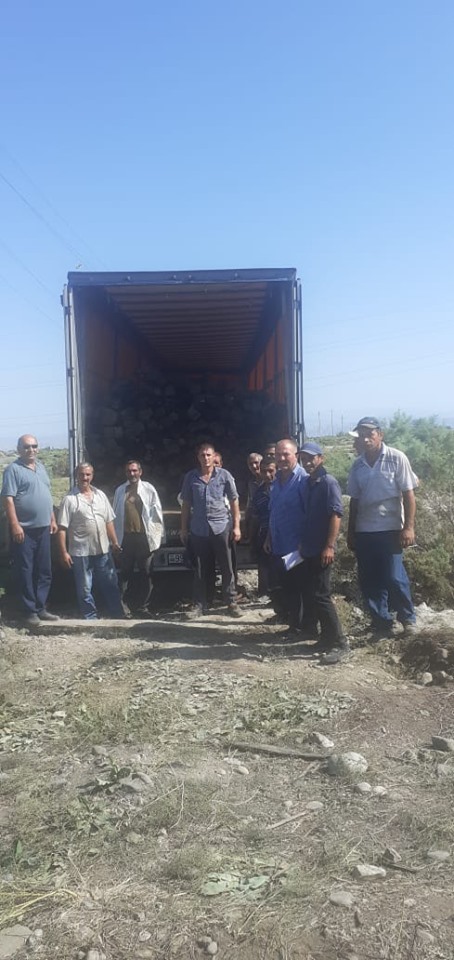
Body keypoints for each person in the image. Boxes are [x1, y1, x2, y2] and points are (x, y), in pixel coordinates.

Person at [347, 417, 417, 636]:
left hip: (391, 528)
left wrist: (409, 527)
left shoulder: (396, 458)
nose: (366, 439)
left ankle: (408, 619)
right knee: (370, 579)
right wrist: (351, 532)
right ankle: (382, 622)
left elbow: (409, 495)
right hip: (365, 529)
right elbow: (354, 501)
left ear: (380, 435)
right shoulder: (357, 465)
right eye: (361, 435)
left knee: (394, 576)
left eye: (370, 434)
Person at [299, 442, 349, 663]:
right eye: (303, 459)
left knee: (322, 595)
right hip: (309, 547)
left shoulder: (328, 483)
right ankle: (326, 638)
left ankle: (340, 643)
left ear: (321, 458)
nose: (307, 462)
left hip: (322, 549)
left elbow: (336, 515)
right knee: (313, 593)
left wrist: (329, 546)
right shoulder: (308, 483)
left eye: (311, 458)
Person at [180, 442, 242, 618]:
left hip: (221, 526)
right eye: (203, 455)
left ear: (214, 457)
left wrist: (236, 526)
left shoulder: (224, 475)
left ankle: (231, 602)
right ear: (198, 457)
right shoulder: (191, 477)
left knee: (227, 567)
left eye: (209, 455)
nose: (206, 458)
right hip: (199, 529)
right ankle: (200, 604)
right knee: (200, 568)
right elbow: (186, 504)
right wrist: (183, 528)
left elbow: (234, 501)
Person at [1, 434, 59, 624]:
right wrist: (15, 525)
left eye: (34, 446)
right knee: (26, 570)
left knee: (44, 570)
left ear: (38, 448)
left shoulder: (41, 468)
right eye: (26, 447)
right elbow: (8, 499)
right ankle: (28, 611)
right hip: (24, 530)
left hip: (44, 528)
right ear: (19, 449)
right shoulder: (13, 470)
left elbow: (47, 495)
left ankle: (41, 608)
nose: (31, 450)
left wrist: (52, 519)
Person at [57, 463, 124, 620]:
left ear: (92, 476)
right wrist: (63, 552)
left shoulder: (100, 495)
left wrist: (115, 542)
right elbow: (62, 528)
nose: (85, 478)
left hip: (103, 549)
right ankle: (90, 618)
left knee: (110, 583)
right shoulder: (69, 499)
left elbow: (109, 521)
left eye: (88, 474)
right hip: (81, 552)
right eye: (81, 474)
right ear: (76, 476)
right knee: (85, 588)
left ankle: (117, 614)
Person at [265, 438, 308, 634]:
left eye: (286, 454)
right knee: (286, 587)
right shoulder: (276, 482)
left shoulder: (303, 480)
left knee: (298, 587)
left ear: (296, 455)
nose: (281, 458)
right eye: (278, 455)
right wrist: (268, 537)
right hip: (279, 544)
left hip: (296, 547)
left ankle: (301, 628)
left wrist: (304, 541)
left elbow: (309, 513)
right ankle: (293, 625)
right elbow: (273, 512)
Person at [113, 460, 164, 617]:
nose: (132, 474)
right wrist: (114, 540)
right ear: (126, 473)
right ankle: (123, 607)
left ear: (140, 472)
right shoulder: (120, 491)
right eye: (129, 471)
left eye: (134, 470)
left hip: (144, 538)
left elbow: (157, 514)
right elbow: (114, 515)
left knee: (146, 573)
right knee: (125, 574)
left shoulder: (148, 489)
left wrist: (158, 536)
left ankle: (143, 607)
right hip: (126, 538)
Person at [250, 459, 276, 597]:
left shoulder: (283, 488)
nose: (267, 474)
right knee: (264, 564)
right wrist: (252, 537)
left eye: (271, 471)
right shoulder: (258, 493)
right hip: (264, 531)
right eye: (264, 471)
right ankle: (264, 593)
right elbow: (255, 517)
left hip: (281, 532)